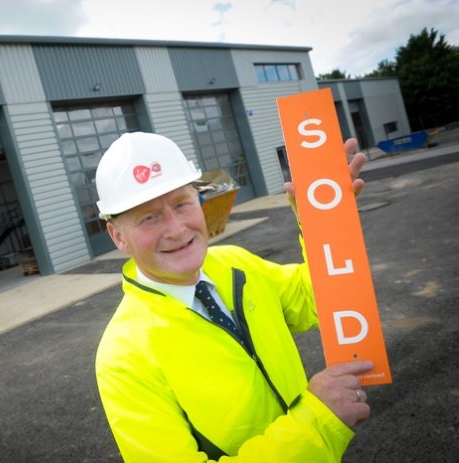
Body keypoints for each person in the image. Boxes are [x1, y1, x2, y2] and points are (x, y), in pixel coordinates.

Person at [94, 131, 373, 462]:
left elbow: (314, 300)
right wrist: (316, 422)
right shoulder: (123, 356)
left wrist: (324, 223)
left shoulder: (234, 262)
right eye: (149, 217)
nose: (177, 229)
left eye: (182, 204)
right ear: (118, 236)